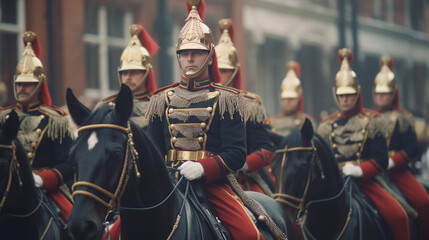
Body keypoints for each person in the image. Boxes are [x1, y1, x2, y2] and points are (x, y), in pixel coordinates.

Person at [146, 1, 263, 239]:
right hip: (168, 182)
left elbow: (237, 152)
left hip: (212, 184)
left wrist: (202, 167)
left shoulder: (228, 99)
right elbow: (153, 149)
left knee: (250, 235)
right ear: (178, 57)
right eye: (185, 54)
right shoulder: (161, 99)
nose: (190, 59)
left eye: (196, 53)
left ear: (210, 58)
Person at [317, 48, 410, 240]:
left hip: (365, 182)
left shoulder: (373, 120)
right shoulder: (326, 125)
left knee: (399, 217)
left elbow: (381, 159)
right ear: (335, 94)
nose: (345, 99)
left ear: (358, 93)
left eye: (349, 94)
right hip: (335, 185)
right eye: (341, 94)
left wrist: (360, 170)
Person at [0, 31, 73, 220]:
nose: (22, 88)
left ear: (40, 85)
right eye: (19, 83)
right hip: (5, 184)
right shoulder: (2, 117)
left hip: (44, 188)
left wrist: (42, 179)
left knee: (75, 224)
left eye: (28, 84)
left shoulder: (56, 120)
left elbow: (68, 163)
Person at [215, 18, 274, 194]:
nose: (220, 75)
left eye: (224, 70)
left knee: (268, 212)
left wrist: (244, 164)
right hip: (205, 172)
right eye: (217, 69)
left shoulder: (251, 105)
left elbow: (266, 149)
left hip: (242, 177)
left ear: (234, 72)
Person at [373, 56, 429, 239]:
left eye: (385, 93)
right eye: (378, 93)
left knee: (424, 202)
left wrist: (392, 161)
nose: (381, 97)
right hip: (373, 171)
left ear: (393, 94)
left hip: (398, 171)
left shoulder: (404, 117)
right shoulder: (369, 118)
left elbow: (412, 149)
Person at [95, 24, 158, 130]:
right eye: (124, 73)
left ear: (146, 73)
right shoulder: (106, 106)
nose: (128, 77)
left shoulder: (157, 106)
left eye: (134, 73)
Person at [271, 61, 315, 136]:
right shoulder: (273, 122)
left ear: (298, 98)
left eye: (291, 98)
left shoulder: (306, 121)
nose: (288, 101)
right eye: (285, 98)